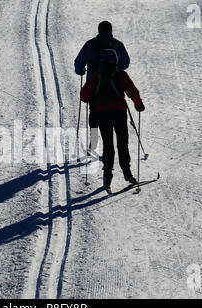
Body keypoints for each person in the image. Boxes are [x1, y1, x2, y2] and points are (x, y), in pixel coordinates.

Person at [80, 49, 145, 193]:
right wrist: (138, 104)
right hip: (119, 113)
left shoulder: (97, 75)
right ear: (116, 60)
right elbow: (133, 91)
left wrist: (92, 98)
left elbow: (83, 96)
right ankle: (127, 172)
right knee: (123, 142)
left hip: (102, 114)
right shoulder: (121, 74)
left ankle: (107, 176)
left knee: (108, 145)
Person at [74, 21, 130, 153]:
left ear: (99, 30)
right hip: (115, 88)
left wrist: (81, 71)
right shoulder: (117, 44)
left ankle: (93, 144)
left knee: (94, 116)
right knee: (117, 118)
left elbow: (78, 63)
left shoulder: (90, 44)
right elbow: (126, 63)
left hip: (95, 87)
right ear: (111, 30)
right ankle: (120, 148)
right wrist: (116, 70)